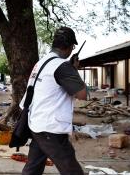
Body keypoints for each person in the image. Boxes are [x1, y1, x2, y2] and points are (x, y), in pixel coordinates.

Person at [20, 27, 87, 175]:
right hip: (51, 128)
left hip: (37, 123)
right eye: (72, 47)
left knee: (33, 168)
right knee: (72, 170)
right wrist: (74, 69)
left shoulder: (41, 62)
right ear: (69, 47)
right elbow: (82, 94)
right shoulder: (62, 66)